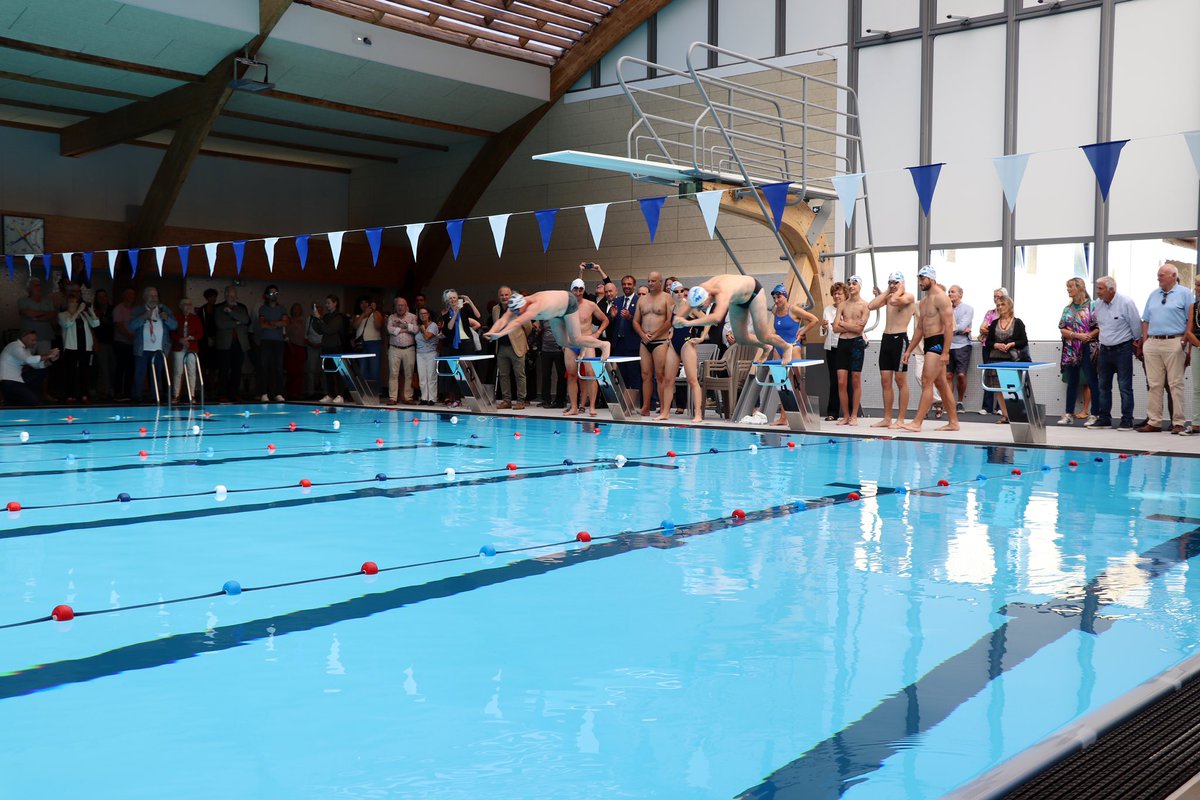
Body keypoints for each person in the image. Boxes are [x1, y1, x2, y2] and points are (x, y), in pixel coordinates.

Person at [900, 266, 960, 432]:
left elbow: (949, 326)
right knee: (941, 384)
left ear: (931, 278)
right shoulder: (925, 301)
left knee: (927, 380)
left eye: (923, 278)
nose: (920, 282)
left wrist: (946, 351)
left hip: (938, 342)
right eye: (919, 279)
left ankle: (917, 422)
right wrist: (908, 350)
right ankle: (954, 422)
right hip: (928, 342)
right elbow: (920, 328)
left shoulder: (941, 298)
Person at [1138, 263, 1195, 433]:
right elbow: (1145, 320)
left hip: (1175, 341)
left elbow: (1190, 322)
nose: (1158, 278)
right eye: (1158, 275)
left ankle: (1178, 422)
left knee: (1175, 383)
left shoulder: (1185, 294)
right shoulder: (1153, 295)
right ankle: (1154, 421)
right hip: (1153, 342)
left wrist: (1185, 343)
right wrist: (1146, 341)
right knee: (1154, 384)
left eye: (1161, 275)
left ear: (1173, 276)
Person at [484, 290, 611, 361]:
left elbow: (516, 323)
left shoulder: (534, 306)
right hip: (554, 312)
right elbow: (502, 320)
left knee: (576, 338)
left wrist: (499, 335)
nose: (517, 314)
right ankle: (583, 345)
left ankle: (603, 345)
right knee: (562, 342)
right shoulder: (516, 305)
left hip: (568, 304)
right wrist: (492, 332)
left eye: (519, 311)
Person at [1090, 276, 1140, 430]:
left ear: (1111, 290)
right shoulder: (1097, 304)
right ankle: (1104, 418)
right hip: (1104, 349)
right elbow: (1101, 325)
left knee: (1124, 386)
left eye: (1100, 288)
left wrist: (1136, 344)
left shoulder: (1126, 303)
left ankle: (1127, 420)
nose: (1097, 292)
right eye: (1097, 288)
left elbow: (1136, 326)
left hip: (1123, 349)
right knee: (1103, 386)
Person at [868, 271, 916, 428]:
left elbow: (895, 301)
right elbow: (871, 305)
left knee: (900, 380)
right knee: (885, 380)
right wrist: (887, 291)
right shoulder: (889, 296)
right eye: (890, 282)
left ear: (902, 283)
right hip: (886, 340)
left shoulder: (908, 297)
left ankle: (900, 419)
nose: (893, 285)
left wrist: (897, 290)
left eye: (896, 282)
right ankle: (887, 418)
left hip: (900, 340)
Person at [977, 293, 1028, 425]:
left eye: (1002, 304)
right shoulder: (994, 323)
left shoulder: (1018, 322)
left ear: (1009, 306)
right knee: (998, 388)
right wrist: (996, 345)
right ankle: (1005, 415)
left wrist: (1011, 344)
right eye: (998, 305)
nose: (999, 307)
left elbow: (1023, 341)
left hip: (1012, 359)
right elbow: (988, 342)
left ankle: (1016, 414)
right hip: (996, 358)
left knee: (1012, 387)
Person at [564, 279, 610, 417]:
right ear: (571, 290)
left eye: (580, 289)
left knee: (590, 374)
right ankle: (573, 407)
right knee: (572, 375)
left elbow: (605, 320)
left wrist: (596, 334)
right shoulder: (565, 307)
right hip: (571, 345)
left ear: (583, 291)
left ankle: (592, 407)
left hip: (587, 343)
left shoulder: (590, 305)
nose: (578, 292)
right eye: (575, 289)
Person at [1057, 277, 1099, 426]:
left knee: (1092, 380)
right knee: (1072, 381)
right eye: (1067, 287)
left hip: (1088, 348)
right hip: (1071, 349)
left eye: (1070, 287)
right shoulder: (1067, 309)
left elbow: (1098, 326)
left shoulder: (1092, 305)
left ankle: (1095, 414)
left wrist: (1089, 336)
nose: (1068, 289)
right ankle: (1068, 413)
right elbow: (1062, 328)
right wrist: (1076, 335)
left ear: (1079, 288)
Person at [633, 272, 674, 416]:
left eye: (653, 281)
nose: (650, 283)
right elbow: (635, 321)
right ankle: (645, 407)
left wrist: (655, 334)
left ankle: (663, 408)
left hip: (660, 341)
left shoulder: (667, 298)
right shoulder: (642, 300)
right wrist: (643, 335)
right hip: (645, 342)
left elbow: (670, 321)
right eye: (648, 280)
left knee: (660, 375)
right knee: (645, 375)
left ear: (660, 282)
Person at [128, 287, 177, 403]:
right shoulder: (138, 310)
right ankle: (136, 397)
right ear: (145, 297)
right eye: (151, 296)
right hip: (142, 349)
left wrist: (167, 319)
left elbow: (174, 325)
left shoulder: (164, 309)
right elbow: (131, 326)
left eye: (156, 296)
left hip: (159, 349)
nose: (154, 298)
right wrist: (143, 317)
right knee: (139, 374)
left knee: (157, 375)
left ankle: (156, 397)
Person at [600, 266, 640, 404]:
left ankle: (634, 404)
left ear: (634, 285)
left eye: (629, 284)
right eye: (624, 284)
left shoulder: (639, 301)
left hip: (633, 344)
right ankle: (624, 404)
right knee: (621, 376)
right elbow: (609, 322)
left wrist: (630, 317)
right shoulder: (616, 301)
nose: (626, 286)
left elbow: (641, 321)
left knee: (634, 374)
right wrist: (611, 316)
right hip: (618, 344)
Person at [832, 275, 869, 425]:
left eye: (854, 283)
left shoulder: (864, 305)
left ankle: (854, 415)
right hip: (842, 343)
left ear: (859, 286)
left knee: (855, 380)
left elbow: (860, 329)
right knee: (841, 381)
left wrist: (844, 324)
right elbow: (835, 328)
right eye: (850, 283)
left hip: (857, 344)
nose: (851, 286)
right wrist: (852, 326)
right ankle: (846, 415)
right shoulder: (842, 305)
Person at [438, 288, 481, 407]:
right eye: (450, 298)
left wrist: (470, 302)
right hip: (455, 344)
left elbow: (478, 315)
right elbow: (450, 327)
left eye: (454, 298)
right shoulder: (445, 313)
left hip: (466, 342)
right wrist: (455, 312)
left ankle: (474, 398)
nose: (453, 300)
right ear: (447, 300)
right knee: (457, 372)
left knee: (469, 370)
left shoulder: (465, 309)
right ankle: (457, 398)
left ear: (458, 299)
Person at [490, 286, 531, 410]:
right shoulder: (495, 309)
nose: (504, 297)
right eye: (502, 295)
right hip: (502, 346)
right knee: (503, 375)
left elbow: (528, 327)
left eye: (506, 295)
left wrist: (521, 338)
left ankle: (521, 400)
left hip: (516, 346)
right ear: (499, 296)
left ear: (510, 296)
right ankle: (506, 401)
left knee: (519, 375)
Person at [58, 294, 99, 402]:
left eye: (76, 302)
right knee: (70, 371)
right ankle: (70, 394)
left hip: (85, 346)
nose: (75, 304)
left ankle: (84, 393)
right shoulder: (63, 315)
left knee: (84, 371)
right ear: (67, 304)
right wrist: (76, 312)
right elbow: (67, 324)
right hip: (71, 346)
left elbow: (96, 324)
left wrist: (92, 312)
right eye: (72, 302)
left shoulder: (84, 315)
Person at [0, 330, 59, 405]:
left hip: (17, 380)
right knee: (34, 403)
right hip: (8, 381)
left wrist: (51, 360)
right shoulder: (14, 346)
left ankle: (22, 395)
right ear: (24, 338)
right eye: (32, 340)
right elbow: (28, 359)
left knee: (42, 371)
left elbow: (36, 365)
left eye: (35, 340)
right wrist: (49, 355)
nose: (35, 343)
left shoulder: (26, 349)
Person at [214, 285, 251, 402]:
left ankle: (234, 394)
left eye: (234, 295)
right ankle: (222, 394)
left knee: (237, 370)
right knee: (224, 370)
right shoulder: (219, 308)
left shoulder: (241, 307)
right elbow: (221, 324)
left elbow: (246, 320)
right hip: (225, 344)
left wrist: (231, 313)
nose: (232, 298)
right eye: (230, 295)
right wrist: (237, 322)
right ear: (225, 295)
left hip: (240, 343)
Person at [977, 288, 1010, 415]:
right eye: (995, 296)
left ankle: (1001, 408)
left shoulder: (1008, 314)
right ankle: (987, 406)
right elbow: (981, 328)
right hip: (988, 346)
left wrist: (990, 330)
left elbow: (1005, 331)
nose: (996, 298)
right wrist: (994, 331)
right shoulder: (990, 313)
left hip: (1002, 348)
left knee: (1002, 376)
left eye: (999, 296)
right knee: (988, 375)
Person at [820, 282, 848, 421]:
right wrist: (824, 327)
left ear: (845, 295)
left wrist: (839, 325)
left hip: (846, 345)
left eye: (839, 293)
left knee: (848, 380)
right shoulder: (827, 309)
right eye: (835, 294)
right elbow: (824, 332)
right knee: (834, 380)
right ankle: (832, 412)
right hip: (832, 347)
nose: (837, 296)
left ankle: (850, 413)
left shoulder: (849, 308)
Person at [256, 285, 288, 402]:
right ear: (266, 295)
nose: (274, 295)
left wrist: (271, 323)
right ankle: (264, 393)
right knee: (265, 367)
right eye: (271, 293)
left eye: (276, 293)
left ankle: (279, 393)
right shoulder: (263, 309)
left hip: (279, 341)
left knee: (279, 367)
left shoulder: (282, 308)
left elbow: (284, 323)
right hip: (266, 341)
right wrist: (276, 323)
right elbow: (262, 324)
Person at [386, 295, 419, 405]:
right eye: (398, 305)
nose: (400, 307)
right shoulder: (391, 317)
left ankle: (408, 397)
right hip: (394, 348)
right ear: (395, 307)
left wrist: (402, 326)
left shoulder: (413, 317)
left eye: (402, 305)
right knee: (393, 373)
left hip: (409, 348)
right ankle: (393, 398)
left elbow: (415, 329)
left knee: (409, 373)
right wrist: (405, 329)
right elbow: (390, 330)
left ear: (406, 306)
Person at [170, 298, 204, 403]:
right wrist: (180, 339)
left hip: (192, 346)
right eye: (184, 304)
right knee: (178, 371)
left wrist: (191, 338)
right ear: (180, 306)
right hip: (179, 347)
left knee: (192, 371)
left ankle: (192, 395)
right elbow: (172, 332)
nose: (187, 306)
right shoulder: (175, 317)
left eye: (189, 304)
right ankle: (176, 395)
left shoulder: (196, 318)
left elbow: (200, 334)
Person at [947, 285, 973, 413]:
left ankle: (960, 402)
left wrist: (955, 330)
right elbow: (943, 326)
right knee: (948, 375)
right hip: (948, 345)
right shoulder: (945, 309)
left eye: (952, 292)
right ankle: (949, 402)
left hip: (962, 346)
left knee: (961, 375)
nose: (949, 294)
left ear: (960, 295)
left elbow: (962, 326)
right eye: (949, 292)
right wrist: (959, 330)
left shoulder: (968, 309)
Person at [351, 295, 384, 396]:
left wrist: (373, 311)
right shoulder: (357, 315)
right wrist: (363, 314)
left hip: (373, 342)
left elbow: (379, 325)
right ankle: (364, 392)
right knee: (362, 369)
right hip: (361, 344)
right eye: (361, 303)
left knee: (374, 368)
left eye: (366, 302)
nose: (363, 305)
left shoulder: (376, 313)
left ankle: (375, 392)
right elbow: (354, 326)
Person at [536, 319, 567, 408]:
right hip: (545, 349)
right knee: (545, 375)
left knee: (561, 375)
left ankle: (560, 401)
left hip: (559, 349)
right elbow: (540, 328)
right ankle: (546, 400)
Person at [1183, 272, 1200, 436]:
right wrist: (1197, 344)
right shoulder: (1193, 307)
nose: (1197, 288)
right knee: (1197, 388)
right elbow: (1189, 331)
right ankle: (1196, 423)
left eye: (1199, 285)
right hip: (1197, 347)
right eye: (1196, 285)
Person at [414, 306, 440, 405]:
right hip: (420, 353)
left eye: (425, 313)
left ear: (428, 314)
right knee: (422, 377)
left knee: (431, 376)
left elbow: (427, 337)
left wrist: (423, 329)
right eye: (421, 314)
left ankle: (432, 398)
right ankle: (424, 397)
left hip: (431, 353)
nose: (423, 315)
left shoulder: (433, 325)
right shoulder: (419, 326)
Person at [284, 302, 308, 400]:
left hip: (301, 347)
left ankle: (298, 392)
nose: (297, 310)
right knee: (292, 371)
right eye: (295, 308)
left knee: (300, 371)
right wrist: (290, 347)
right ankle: (289, 392)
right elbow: (285, 335)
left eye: (299, 308)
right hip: (291, 347)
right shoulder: (289, 321)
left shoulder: (303, 321)